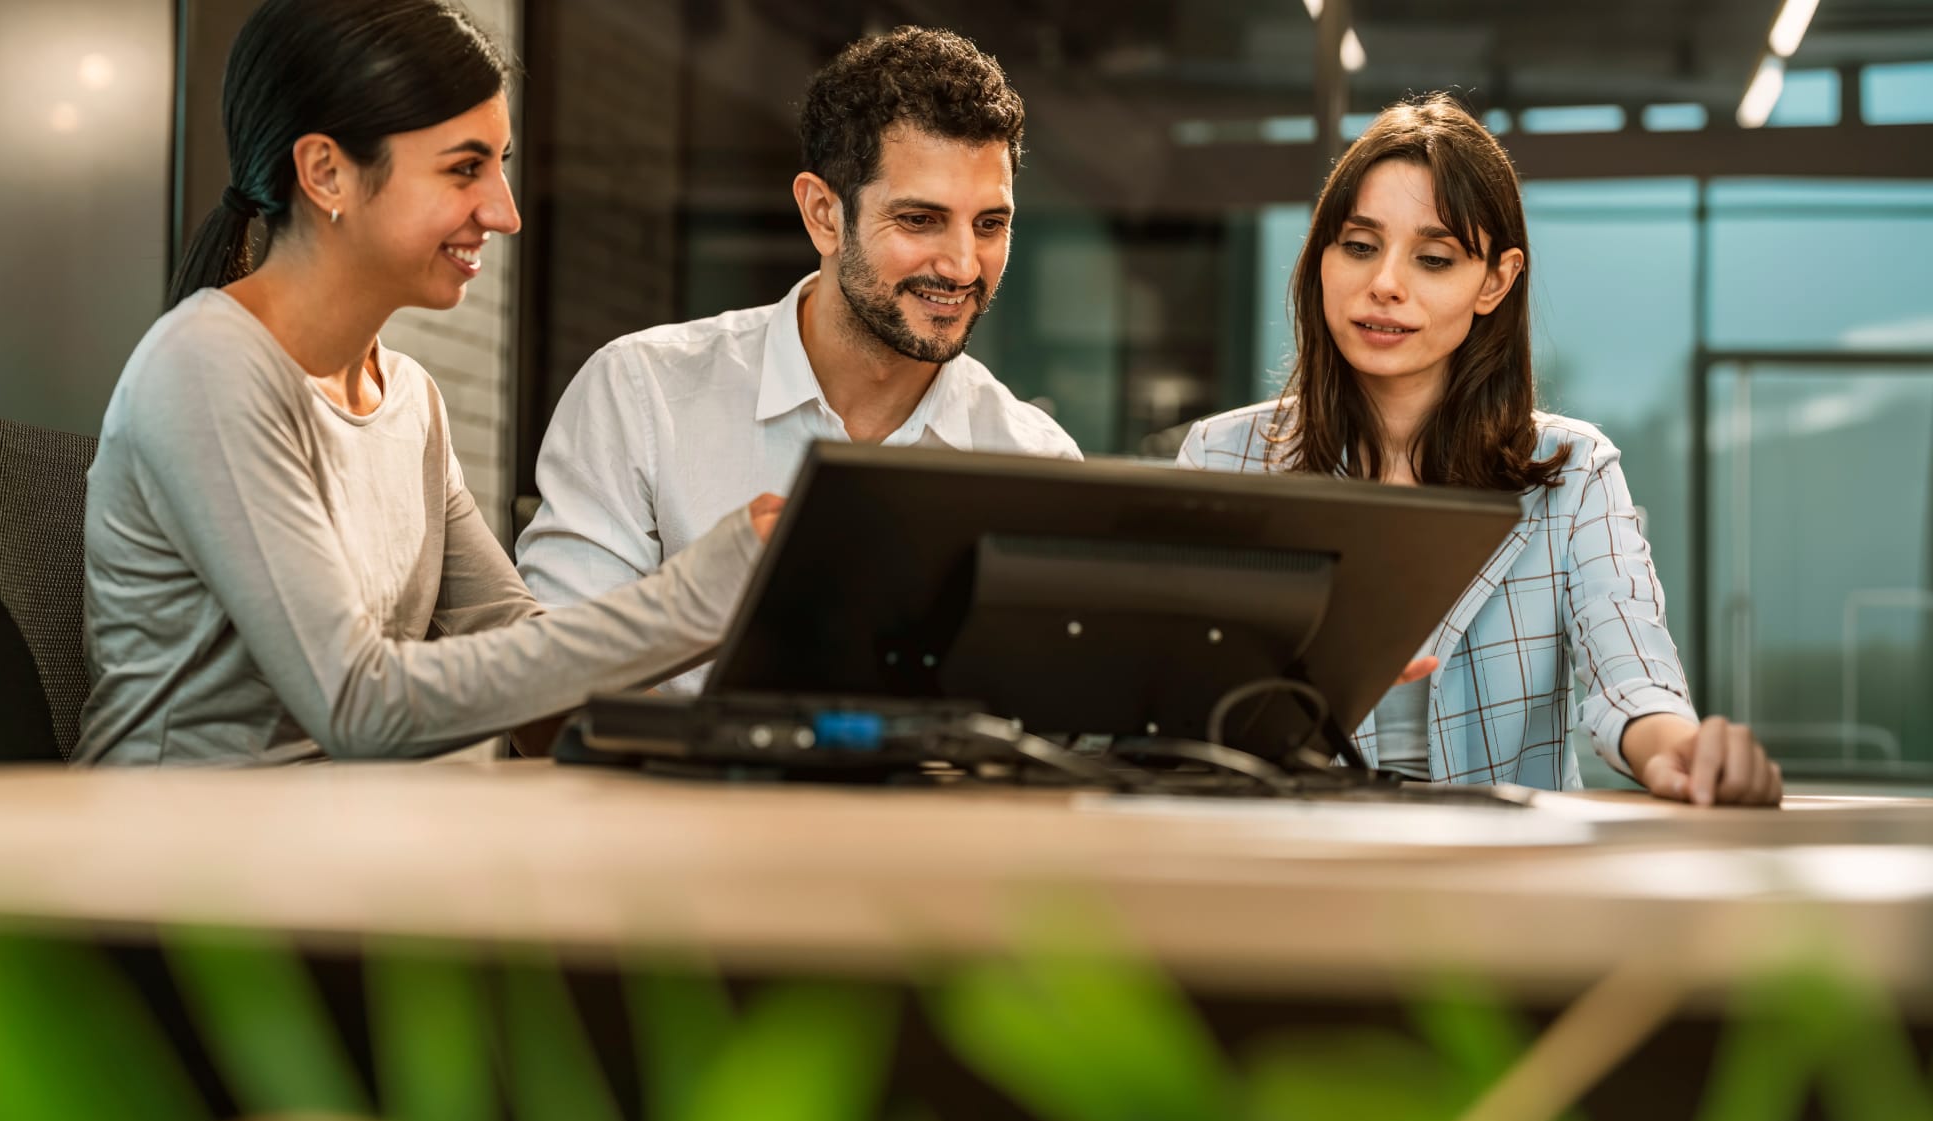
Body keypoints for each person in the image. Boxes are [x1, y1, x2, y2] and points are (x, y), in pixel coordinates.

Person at [77, 0, 778, 766]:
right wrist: (691, 598)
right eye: (464, 168)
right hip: (174, 856)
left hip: (355, 844)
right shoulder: (206, 367)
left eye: (500, 167)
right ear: (326, 172)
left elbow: (519, 652)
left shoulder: (409, 399)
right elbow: (358, 704)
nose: (504, 212)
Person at [1178, 93, 1780, 806]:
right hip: (1289, 871)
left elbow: (1633, 672)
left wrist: (1676, 747)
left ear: (1495, 280)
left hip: (1499, 887)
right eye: (1359, 246)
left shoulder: (1573, 473)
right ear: (1322, 257)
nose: (1385, 285)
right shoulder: (1224, 457)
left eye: (1434, 258)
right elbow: (1168, 699)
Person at [516, 26, 1079, 692]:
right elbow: (542, 704)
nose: (962, 265)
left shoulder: (1036, 463)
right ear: (823, 214)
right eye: (920, 220)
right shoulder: (643, 393)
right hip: (676, 797)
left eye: (990, 224)